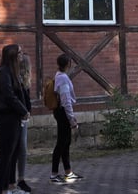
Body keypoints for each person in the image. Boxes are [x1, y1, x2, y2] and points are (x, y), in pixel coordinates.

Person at [0, 44, 30, 194]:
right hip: (7, 118)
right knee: (5, 156)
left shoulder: (12, 72)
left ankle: (9, 187)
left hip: (14, 118)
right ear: (13, 56)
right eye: (19, 53)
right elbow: (9, 96)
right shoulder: (3, 73)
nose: (22, 55)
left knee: (12, 154)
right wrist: (23, 110)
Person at [49, 53, 82, 184]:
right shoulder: (62, 78)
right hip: (63, 112)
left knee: (65, 142)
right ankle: (54, 174)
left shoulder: (59, 75)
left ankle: (68, 172)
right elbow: (66, 99)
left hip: (60, 112)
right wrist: (71, 118)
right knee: (61, 143)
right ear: (68, 64)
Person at [15, 52, 33, 193]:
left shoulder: (25, 80)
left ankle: (20, 179)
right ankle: (14, 180)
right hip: (16, 117)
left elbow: (27, 98)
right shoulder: (15, 78)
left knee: (22, 148)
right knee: (19, 149)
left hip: (23, 117)